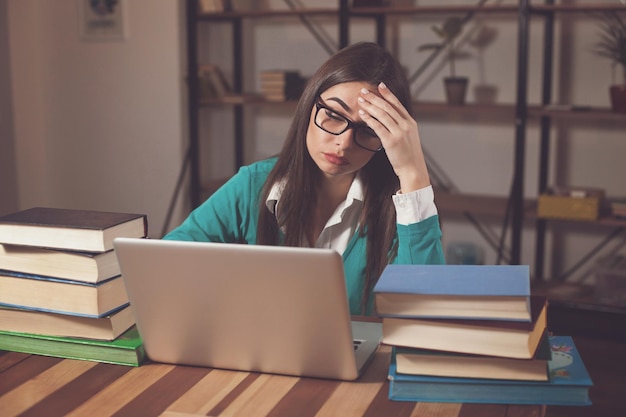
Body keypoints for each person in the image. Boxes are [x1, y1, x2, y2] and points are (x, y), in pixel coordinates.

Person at [164, 42, 445, 315]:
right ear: (309, 105)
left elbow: (424, 312)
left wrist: (413, 173)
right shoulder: (253, 186)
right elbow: (168, 264)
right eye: (333, 115)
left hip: (360, 361)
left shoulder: (402, 209)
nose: (344, 143)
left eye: (369, 131)